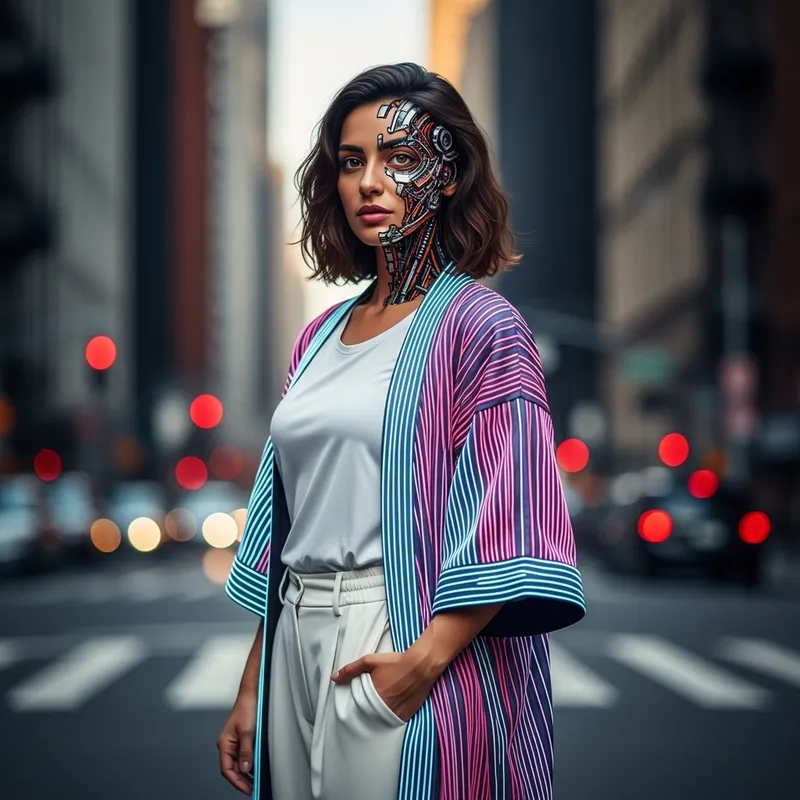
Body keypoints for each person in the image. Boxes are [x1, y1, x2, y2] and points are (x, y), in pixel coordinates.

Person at [217, 62, 585, 800]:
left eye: (400, 159)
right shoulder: (317, 336)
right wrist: (254, 681)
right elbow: (283, 522)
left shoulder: (482, 326)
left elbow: (507, 514)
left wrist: (420, 666)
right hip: (295, 635)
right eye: (352, 162)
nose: (369, 182)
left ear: (449, 176)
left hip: (401, 632)